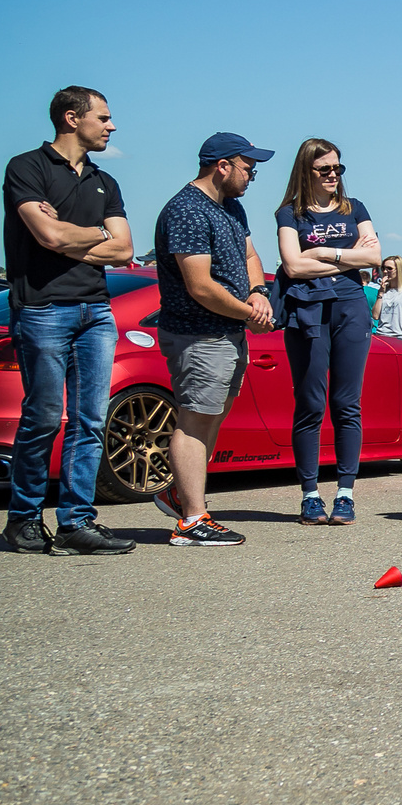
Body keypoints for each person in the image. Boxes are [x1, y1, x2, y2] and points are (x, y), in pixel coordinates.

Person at [0, 85, 138, 556]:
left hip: (96, 311)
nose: (111, 126)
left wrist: (74, 236)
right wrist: (88, 234)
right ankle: (22, 519)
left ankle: (77, 522)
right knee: (41, 417)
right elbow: (47, 235)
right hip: (42, 309)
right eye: (104, 117)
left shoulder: (105, 182)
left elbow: (124, 248)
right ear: (72, 117)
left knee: (90, 420)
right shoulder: (27, 168)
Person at [151, 134, 277, 546]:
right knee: (194, 420)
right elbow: (200, 286)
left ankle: (181, 494)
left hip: (227, 333)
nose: (252, 176)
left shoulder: (231, 207)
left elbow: (250, 257)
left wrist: (258, 293)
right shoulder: (187, 211)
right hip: (198, 334)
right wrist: (249, 314)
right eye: (248, 168)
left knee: (211, 417)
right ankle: (192, 520)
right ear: (222, 165)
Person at [273, 138, 381, 527]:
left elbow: (373, 257)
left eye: (338, 167)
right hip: (308, 311)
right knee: (310, 404)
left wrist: (323, 253)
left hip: (351, 310)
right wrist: (347, 258)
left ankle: (346, 495)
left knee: (347, 403)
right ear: (307, 171)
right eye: (325, 169)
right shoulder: (290, 213)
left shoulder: (355, 209)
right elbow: (292, 267)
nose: (334, 174)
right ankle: (310, 495)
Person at [372, 256, 402, 338]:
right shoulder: (382, 290)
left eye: (389, 268)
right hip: (382, 335)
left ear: (399, 270)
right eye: (383, 268)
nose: (385, 271)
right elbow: (375, 315)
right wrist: (381, 292)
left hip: (401, 336)